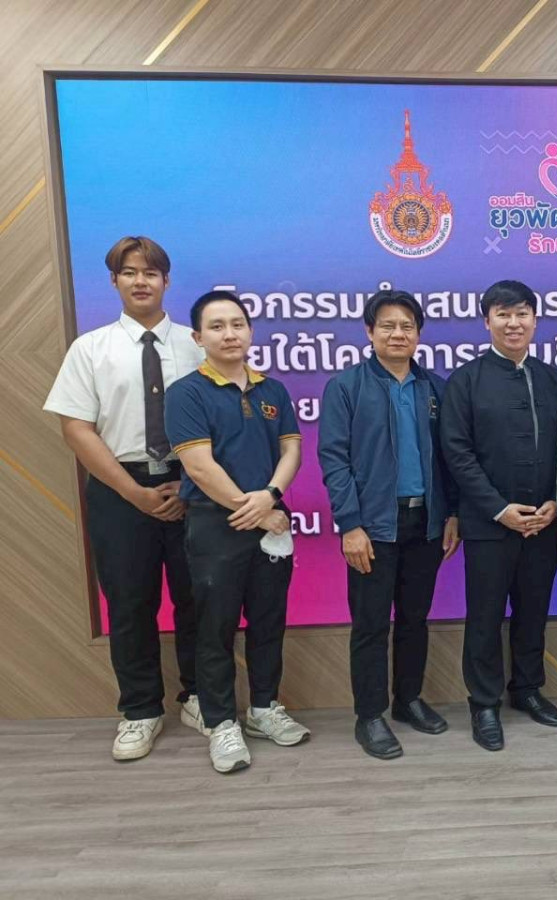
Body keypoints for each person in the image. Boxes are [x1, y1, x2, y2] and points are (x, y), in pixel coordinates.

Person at [44, 236, 204, 761]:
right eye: (130, 272)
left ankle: (201, 697)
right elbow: (77, 428)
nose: (141, 281)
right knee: (131, 604)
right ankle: (140, 710)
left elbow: (221, 422)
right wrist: (132, 492)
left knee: (199, 599)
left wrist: (192, 484)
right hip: (120, 488)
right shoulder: (90, 349)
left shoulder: (198, 345)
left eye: (151, 273)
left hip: (193, 484)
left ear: (166, 281)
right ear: (114, 280)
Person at [165, 290, 309, 774]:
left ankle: (264, 708)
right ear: (197, 337)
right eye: (217, 326)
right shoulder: (186, 392)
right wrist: (255, 510)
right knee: (215, 627)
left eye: (238, 324)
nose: (230, 334)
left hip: (271, 519)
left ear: (250, 330)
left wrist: (270, 496)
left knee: (269, 621)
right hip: (215, 524)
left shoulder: (273, 391)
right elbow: (199, 466)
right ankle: (221, 722)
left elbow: (291, 451)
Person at [318, 290, 461, 760]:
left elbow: (450, 458)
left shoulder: (435, 388)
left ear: (418, 334)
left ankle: (408, 700)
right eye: (387, 325)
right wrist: (350, 525)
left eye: (407, 326)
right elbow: (334, 460)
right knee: (371, 624)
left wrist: (452, 513)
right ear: (369, 331)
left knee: (415, 619)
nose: (398, 334)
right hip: (373, 526)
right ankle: (370, 715)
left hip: (426, 522)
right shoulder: (346, 387)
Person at [440, 280, 557, 751]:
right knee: (485, 616)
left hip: (544, 522)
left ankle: (527, 689)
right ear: (487, 321)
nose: (513, 323)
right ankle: (484, 703)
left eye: (522, 314)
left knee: (534, 611)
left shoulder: (553, 379)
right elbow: (457, 453)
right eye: (503, 314)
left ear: (535, 319)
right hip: (488, 524)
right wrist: (497, 508)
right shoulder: (466, 381)